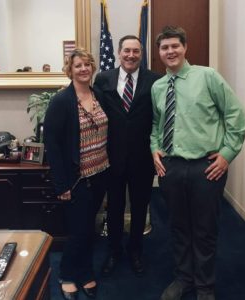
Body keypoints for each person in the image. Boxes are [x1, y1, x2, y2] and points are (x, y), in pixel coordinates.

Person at [151, 26, 245, 300]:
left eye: (175, 46)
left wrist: (227, 154)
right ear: (159, 53)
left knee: (205, 230)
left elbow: (236, 117)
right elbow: (157, 125)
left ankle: (205, 286)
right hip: (170, 167)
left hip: (206, 168)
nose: (170, 51)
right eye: (165, 47)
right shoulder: (158, 87)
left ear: (185, 48)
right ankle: (184, 279)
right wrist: (154, 148)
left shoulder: (207, 77)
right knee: (179, 226)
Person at [44, 48, 109, 300]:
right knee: (79, 231)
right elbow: (53, 144)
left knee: (88, 228)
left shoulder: (99, 95)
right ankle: (68, 274)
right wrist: (61, 184)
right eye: (78, 65)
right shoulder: (61, 101)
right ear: (69, 70)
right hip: (76, 179)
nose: (83, 69)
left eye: (87, 65)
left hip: (101, 173)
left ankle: (84, 271)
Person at [93, 35, 161, 277]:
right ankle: (113, 251)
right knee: (115, 207)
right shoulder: (103, 79)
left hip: (143, 158)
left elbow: (158, 117)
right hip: (111, 157)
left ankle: (135, 250)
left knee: (141, 206)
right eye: (127, 51)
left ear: (141, 54)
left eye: (136, 51)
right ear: (119, 53)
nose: (131, 55)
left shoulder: (156, 80)